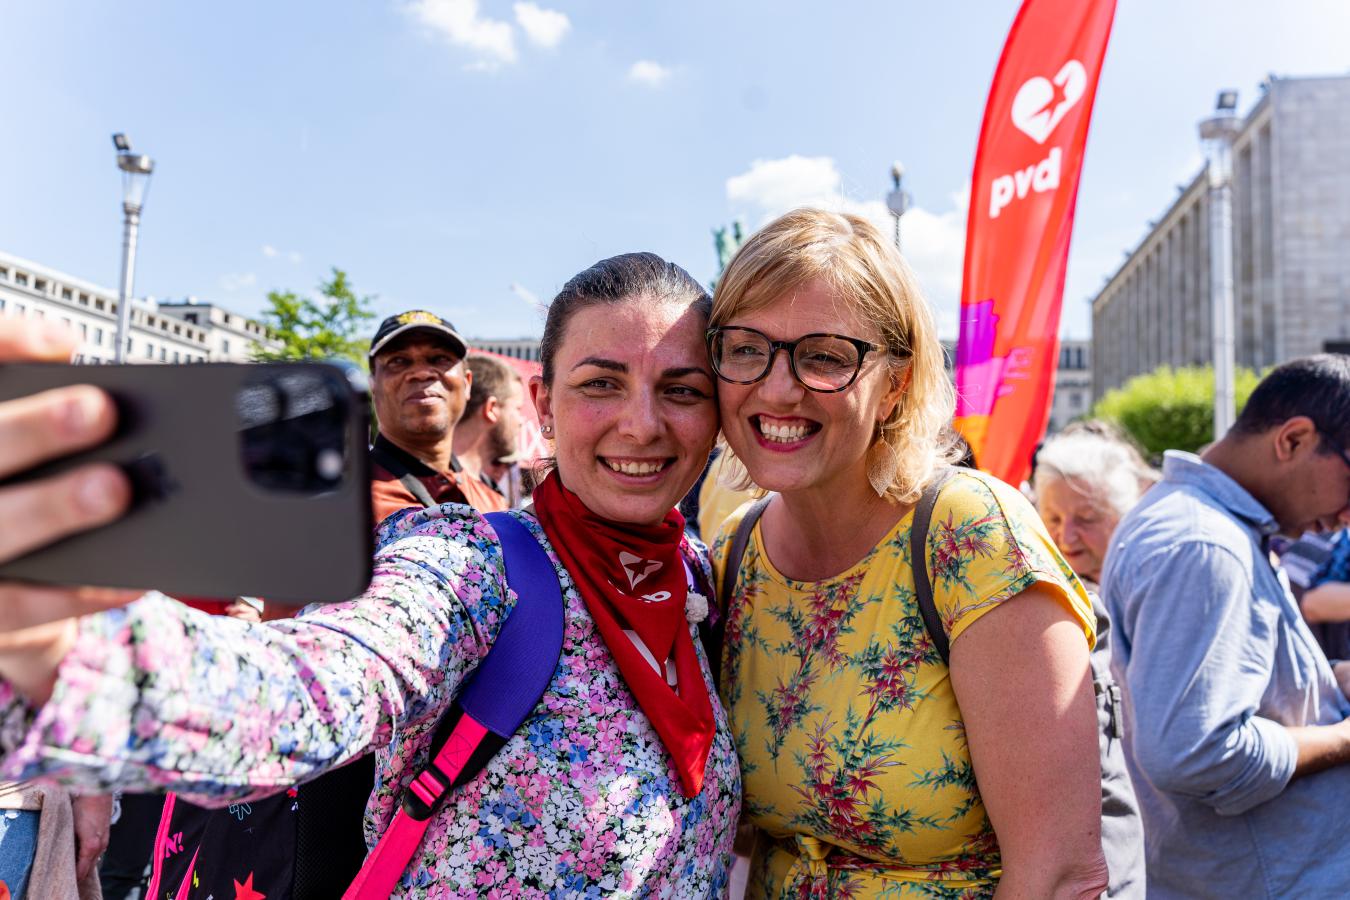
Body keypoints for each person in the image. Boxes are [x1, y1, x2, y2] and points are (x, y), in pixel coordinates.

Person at [0, 253, 740, 897]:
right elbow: (326, 680)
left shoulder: (712, 584)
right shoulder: (474, 562)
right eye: (601, 384)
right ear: (543, 406)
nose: (643, 424)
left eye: (680, 389)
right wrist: (72, 659)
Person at [707, 209, 1107, 898]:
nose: (777, 387)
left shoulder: (970, 535)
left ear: (896, 382)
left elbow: (1061, 874)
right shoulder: (733, 556)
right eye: (746, 349)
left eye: (825, 356)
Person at [1101, 354, 1350, 898]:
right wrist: (1341, 738)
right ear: (1294, 440)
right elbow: (1195, 753)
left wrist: (1329, 680)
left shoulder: (1210, 529)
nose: (1347, 516)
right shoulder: (1205, 546)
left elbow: (1211, 694)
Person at [368, 309, 508, 521]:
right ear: (373, 387)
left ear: (467, 383)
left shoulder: (494, 503)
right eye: (398, 360)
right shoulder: (344, 501)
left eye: (439, 358)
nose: (422, 372)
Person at [451, 353, 526, 503]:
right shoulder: (437, 488)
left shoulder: (493, 495)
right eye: (517, 409)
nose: (521, 421)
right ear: (491, 409)